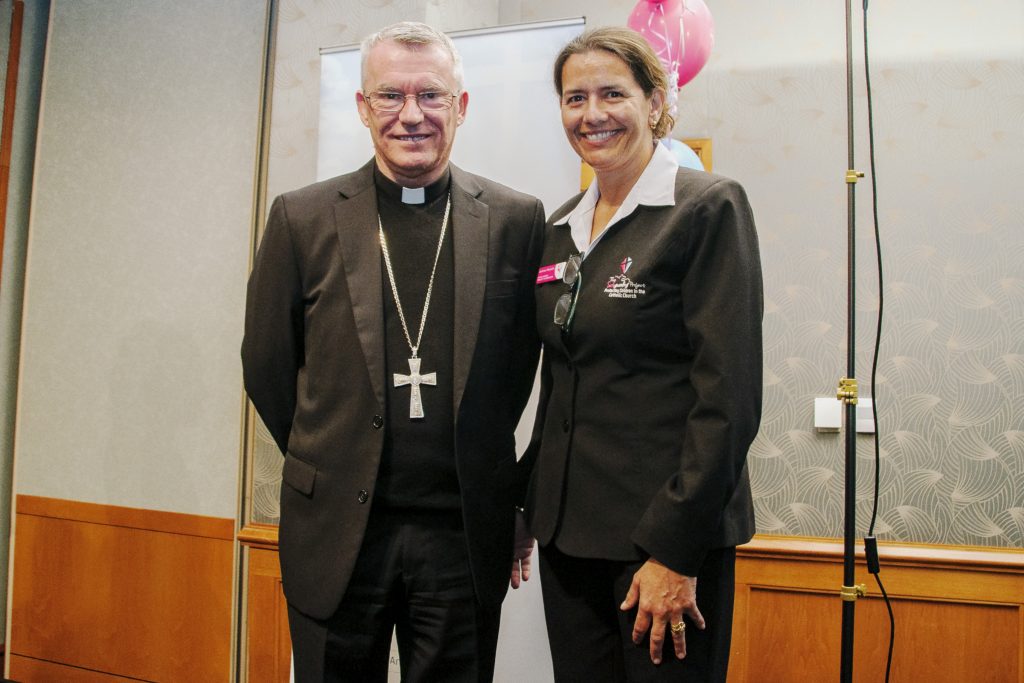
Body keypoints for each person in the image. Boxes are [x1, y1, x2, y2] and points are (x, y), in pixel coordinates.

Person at [242, 21, 544, 682]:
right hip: (338, 530)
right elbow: (267, 365)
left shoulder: (517, 221)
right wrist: (330, 448)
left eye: (431, 96)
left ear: (461, 108)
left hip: (460, 533)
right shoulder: (302, 217)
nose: (411, 115)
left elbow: (523, 366)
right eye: (390, 96)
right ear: (362, 106)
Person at [523, 27, 763, 682]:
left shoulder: (706, 208)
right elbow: (561, 381)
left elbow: (728, 401)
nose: (591, 114)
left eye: (611, 93)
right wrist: (527, 502)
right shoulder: (560, 226)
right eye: (575, 98)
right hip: (569, 537)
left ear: (656, 102)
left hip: (661, 540)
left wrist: (676, 551)